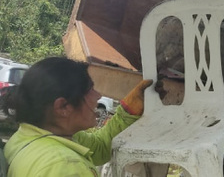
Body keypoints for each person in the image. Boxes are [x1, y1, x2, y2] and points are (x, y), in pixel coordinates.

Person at [0, 57, 153, 177]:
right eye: (90, 89)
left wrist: (128, 110)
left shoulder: (27, 137)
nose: (98, 95)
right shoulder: (66, 166)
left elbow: (99, 147)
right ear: (63, 107)